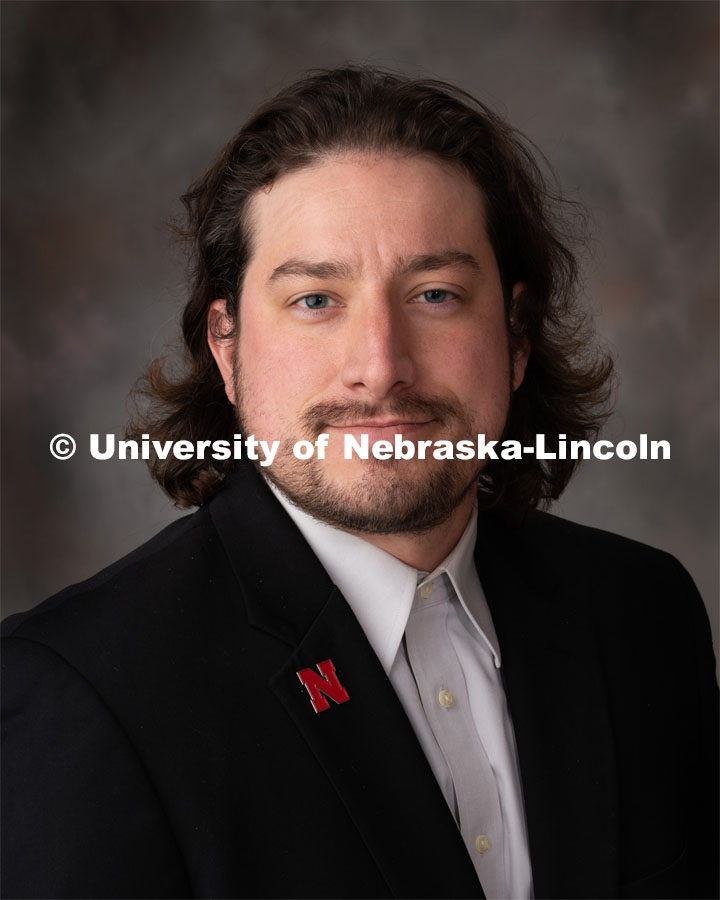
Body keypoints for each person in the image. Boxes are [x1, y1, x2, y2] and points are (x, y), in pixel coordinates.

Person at [2, 66, 717, 900]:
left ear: (517, 338)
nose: (381, 366)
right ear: (228, 350)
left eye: (436, 294)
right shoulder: (80, 694)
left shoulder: (642, 612)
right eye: (315, 300)